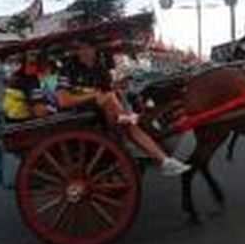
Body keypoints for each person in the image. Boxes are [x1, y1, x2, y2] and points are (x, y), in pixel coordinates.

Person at [56, 39, 190, 177]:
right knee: (118, 108)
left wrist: (117, 87)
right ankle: (134, 126)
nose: (84, 52)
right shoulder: (68, 68)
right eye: (80, 48)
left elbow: (109, 92)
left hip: (101, 113)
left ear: (95, 49)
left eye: (87, 48)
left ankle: (164, 160)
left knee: (121, 99)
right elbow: (63, 101)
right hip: (77, 115)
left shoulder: (100, 68)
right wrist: (92, 95)